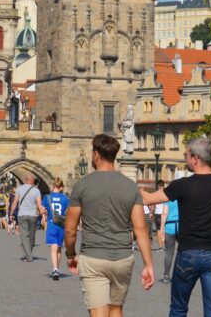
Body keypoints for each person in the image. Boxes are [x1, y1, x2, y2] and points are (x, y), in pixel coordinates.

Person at [140, 136, 211, 317]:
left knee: (178, 308)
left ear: (195, 158)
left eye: (186, 155)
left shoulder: (183, 185)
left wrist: (128, 187)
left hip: (188, 253)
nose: (185, 158)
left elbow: (147, 199)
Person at [65, 134, 154, 317]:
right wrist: (148, 264)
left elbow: (70, 229)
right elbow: (140, 228)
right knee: (116, 309)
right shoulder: (130, 187)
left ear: (96, 154)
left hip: (93, 257)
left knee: (99, 313)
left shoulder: (82, 186)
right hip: (122, 258)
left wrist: (70, 254)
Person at [12, 174, 46, 262]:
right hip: (33, 215)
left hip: (22, 215)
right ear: (32, 181)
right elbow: (39, 204)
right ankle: (28, 255)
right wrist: (43, 215)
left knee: (24, 236)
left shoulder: (19, 189)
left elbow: (15, 202)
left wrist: (11, 214)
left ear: (26, 180)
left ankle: (28, 255)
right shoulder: (36, 190)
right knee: (31, 236)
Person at [42, 178, 70, 280]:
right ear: (61, 187)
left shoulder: (47, 197)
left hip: (51, 223)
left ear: (52, 186)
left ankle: (55, 269)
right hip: (61, 225)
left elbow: (41, 209)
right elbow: (68, 211)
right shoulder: (65, 198)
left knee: (53, 248)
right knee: (58, 248)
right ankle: (57, 268)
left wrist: (43, 214)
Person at [160, 198, 180, 284]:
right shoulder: (184, 196)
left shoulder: (168, 198)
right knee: (182, 252)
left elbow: (164, 213)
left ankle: (166, 276)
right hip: (181, 226)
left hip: (169, 226)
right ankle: (179, 276)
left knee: (169, 253)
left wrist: (161, 227)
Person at [154, 179, 166, 249]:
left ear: (158, 185)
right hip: (165, 213)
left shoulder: (156, 193)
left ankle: (160, 247)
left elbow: (153, 204)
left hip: (158, 213)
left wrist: (151, 212)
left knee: (158, 230)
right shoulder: (167, 193)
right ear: (164, 185)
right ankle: (165, 246)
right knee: (165, 229)